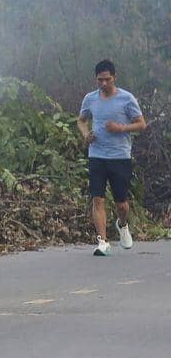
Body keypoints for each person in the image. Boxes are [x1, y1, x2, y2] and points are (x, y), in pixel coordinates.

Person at [77, 60, 146, 256]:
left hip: (120, 157)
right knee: (97, 199)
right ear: (96, 79)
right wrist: (85, 135)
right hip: (97, 155)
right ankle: (103, 242)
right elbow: (81, 121)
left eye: (107, 79)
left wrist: (121, 128)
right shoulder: (90, 99)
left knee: (121, 204)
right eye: (100, 80)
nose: (104, 84)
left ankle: (122, 225)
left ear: (114, 77)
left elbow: (141, 124)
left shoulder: (126, 99)